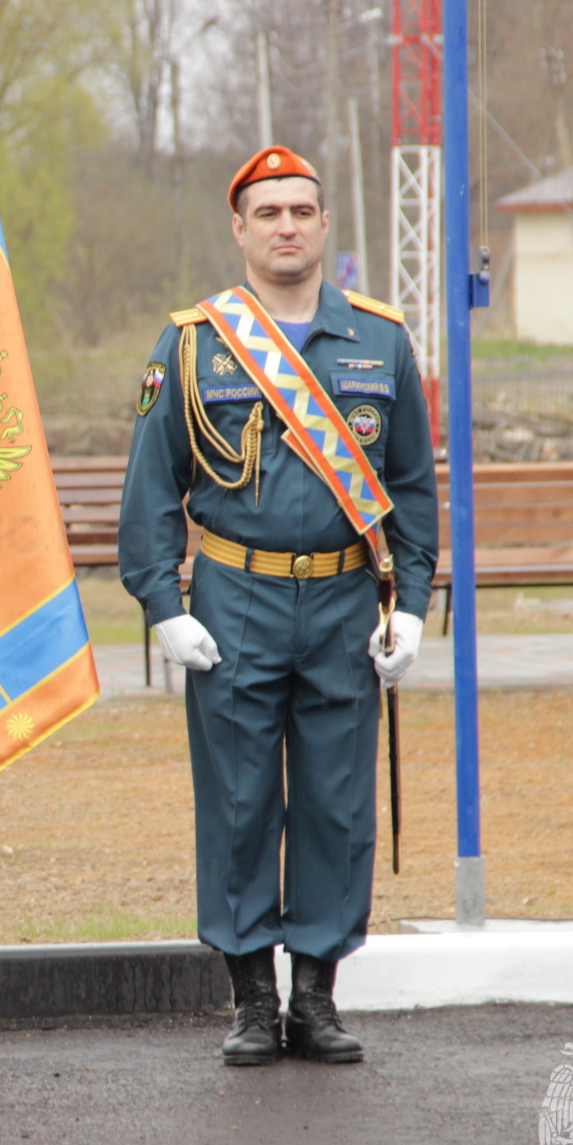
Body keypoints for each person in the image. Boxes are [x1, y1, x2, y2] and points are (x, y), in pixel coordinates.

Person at [116, 146, 438, 1067]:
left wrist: (408, 606)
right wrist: (162, 603)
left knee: (337, 801)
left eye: (302, 210)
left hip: (344, 599)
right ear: (240, 228)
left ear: (325, 224)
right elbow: (150, 492)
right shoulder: (191, 342)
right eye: (268, 213)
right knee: (240, 801)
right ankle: (252, 997)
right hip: (234, 598)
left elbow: (411, 489)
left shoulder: (380, 338)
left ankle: (316, 996)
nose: (287, 226)